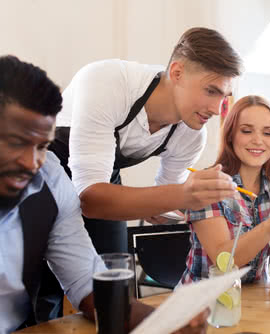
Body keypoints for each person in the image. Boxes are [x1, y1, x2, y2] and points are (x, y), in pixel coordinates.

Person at [0, 55, 208, 333]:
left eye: (41, 146)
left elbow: (87, 286)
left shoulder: (52, 182)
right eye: (16, 143)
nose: (31, 162)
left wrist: (165, 322)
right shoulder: (107, 83)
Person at [49, 27, 242, 254]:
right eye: (211, 91)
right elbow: (90, 199)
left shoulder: (192, 135)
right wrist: (180, 194)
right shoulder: (108, 82)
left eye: (223, 97)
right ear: (177, 73)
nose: (217, 110)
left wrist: (184, 204)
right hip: (45, 176)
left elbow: (162, 202)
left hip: (102, 179)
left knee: (113, 273)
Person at [179, 95, 270, 300]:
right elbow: (223, 262)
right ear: (231, 135)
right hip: (201, 304)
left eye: (267, 133)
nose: (258, 140)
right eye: (246, 131)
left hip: (252, 302)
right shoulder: (207, 185)